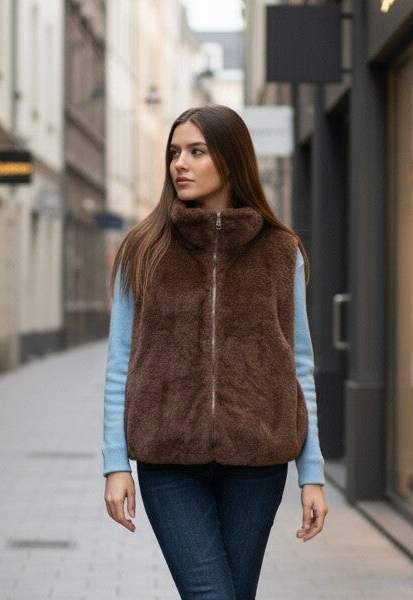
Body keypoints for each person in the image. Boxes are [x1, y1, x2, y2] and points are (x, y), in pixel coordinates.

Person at [102, 104, 328, 600]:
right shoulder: (144, 249)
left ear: (231, 159)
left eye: (196, 152)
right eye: (174, 152)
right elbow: (120, 364)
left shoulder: (280, 251)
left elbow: (299, 365)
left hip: (258, 462)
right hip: (168, 461)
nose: (179, 164)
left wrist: (311, 472)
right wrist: (115, 463)